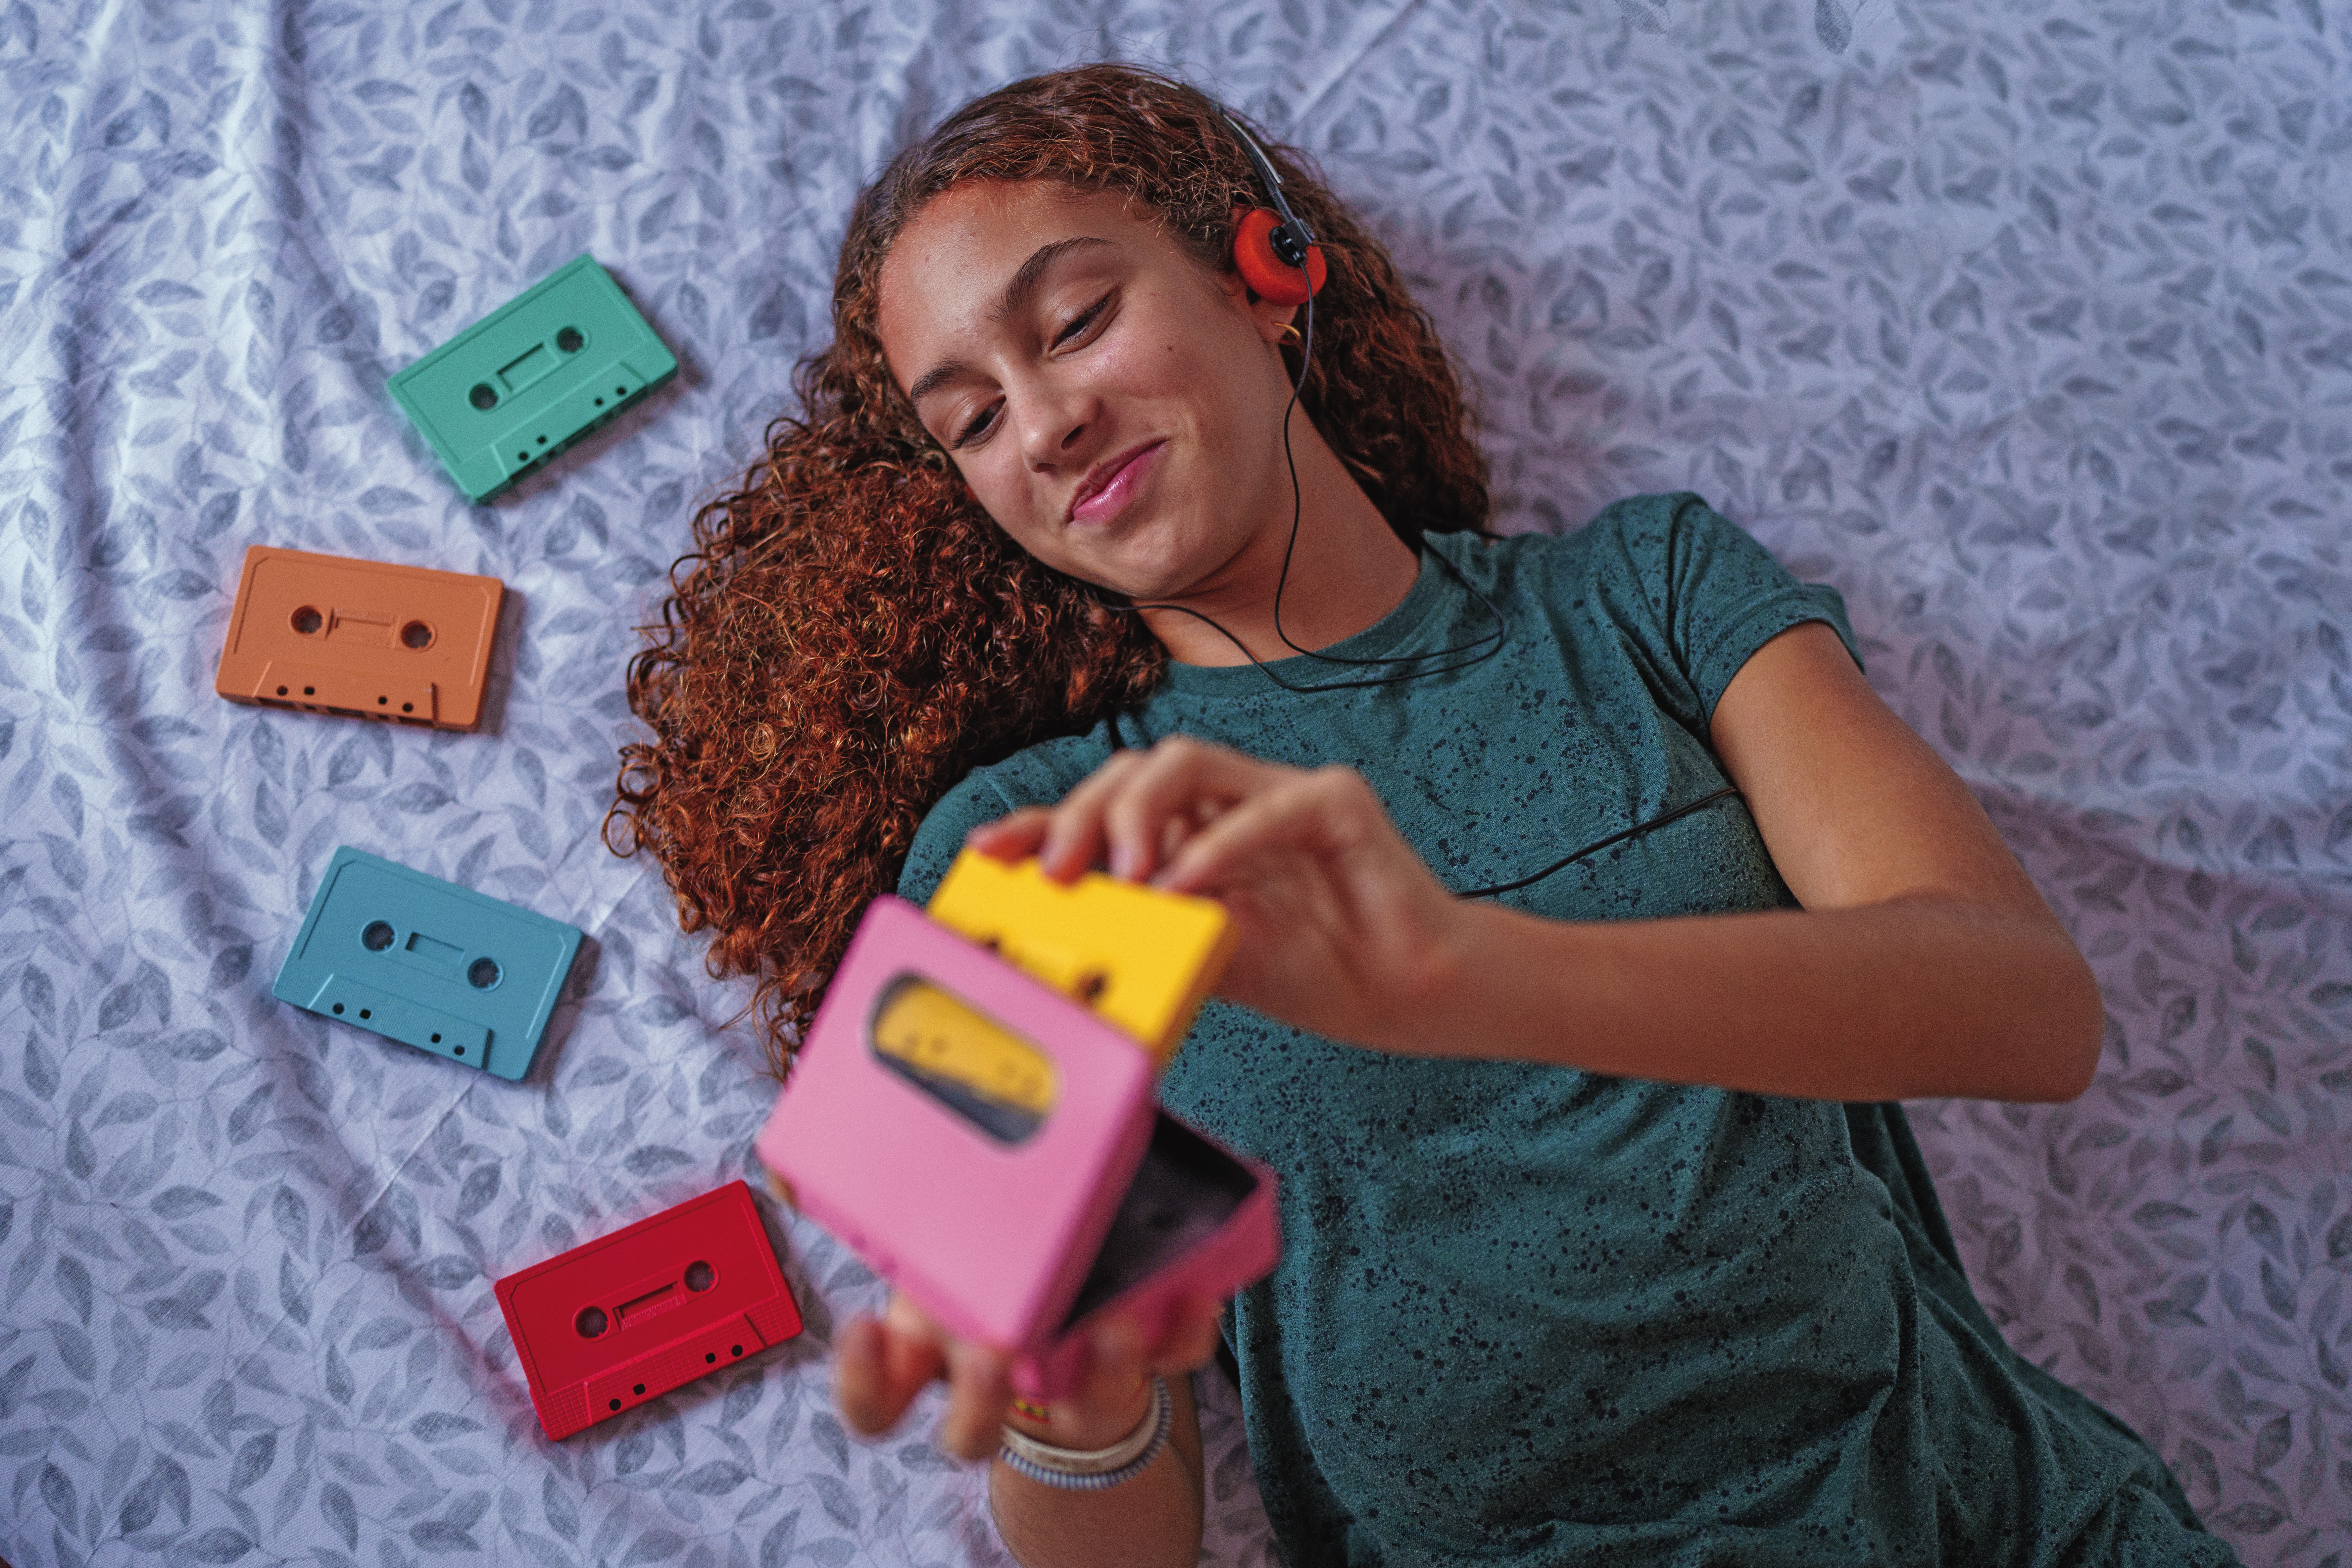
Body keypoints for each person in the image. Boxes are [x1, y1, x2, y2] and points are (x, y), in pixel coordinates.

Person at [612, 64, 2238, 1568]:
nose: (1042, 425)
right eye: (970, 420)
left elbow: (2028, 1011)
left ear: (1266, 270)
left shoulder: (1645, 597)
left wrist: (1467, 975)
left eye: (1079, 320)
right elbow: (1113, 1540)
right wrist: (1079, 1402)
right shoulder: (1025, 852)